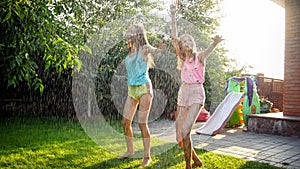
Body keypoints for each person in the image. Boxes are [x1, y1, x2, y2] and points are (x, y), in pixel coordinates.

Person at [170, 2, 223, 169]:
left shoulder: (199, 57)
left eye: (187, 40)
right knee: (179, 135)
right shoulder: (182, 57)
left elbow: (209, 50)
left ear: (191, 44)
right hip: (183, 91)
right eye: (182, 41)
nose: (184, 42)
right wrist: (173, 15)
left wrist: (214, 43)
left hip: (196, 94)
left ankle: (188, 166)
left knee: (186, 130)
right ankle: (196, 160)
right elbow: (174, 36)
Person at [118, 24, 163, 167]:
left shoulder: (144, 49)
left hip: (144, 88)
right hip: (132, 90)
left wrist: (160, 47)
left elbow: (155, 50)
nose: (128, 33)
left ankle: (147, 156)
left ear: (137, 34)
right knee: (125, 122)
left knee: (142, 123)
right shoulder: (130, 50)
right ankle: (130, 151)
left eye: (131, 31)